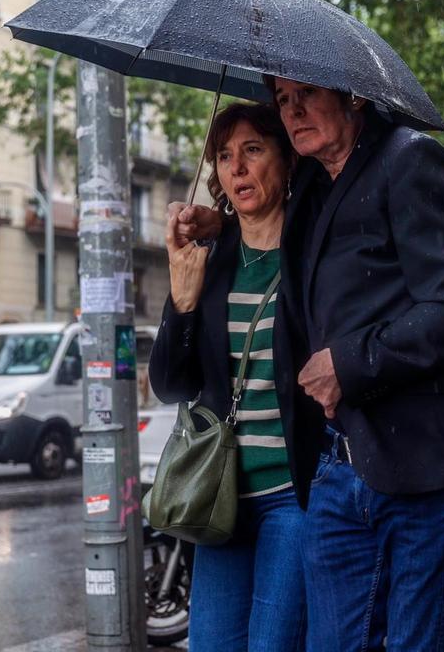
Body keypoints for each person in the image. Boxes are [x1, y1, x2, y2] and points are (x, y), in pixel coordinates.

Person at [170, 79, 444, 651]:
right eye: (283, 101)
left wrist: (349, 363)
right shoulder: (316, 181)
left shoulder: (410, 160)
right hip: (341, 467)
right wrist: (223, 225)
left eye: (307, 94)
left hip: (428, 460)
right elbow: (265, 205)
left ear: (354, 96)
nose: (294, 111)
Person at [149, 101, 314, 651]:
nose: (237, 168)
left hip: (293, 495)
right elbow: (170, 385)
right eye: (223, 156)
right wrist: (183, 300)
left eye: (253, 150)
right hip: (218, 498)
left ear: (287, 161)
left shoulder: (313, 251)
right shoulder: (210, 257)